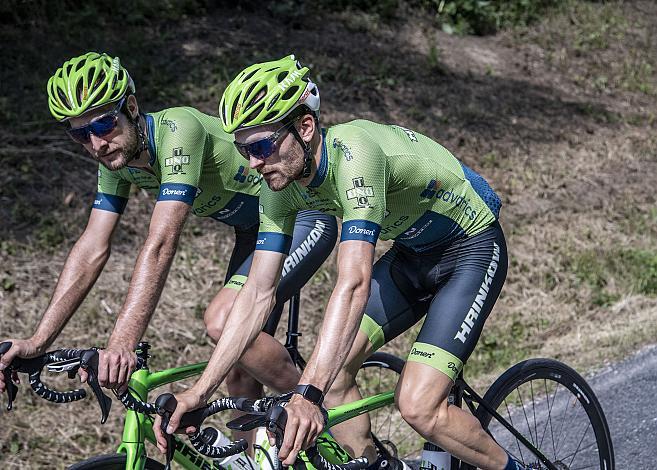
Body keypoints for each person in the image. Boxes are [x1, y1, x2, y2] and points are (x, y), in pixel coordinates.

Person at [154, 55, 523, 470]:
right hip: (411, 255)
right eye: (243, 150)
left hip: (470, 250)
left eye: (260, 147)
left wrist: (305, 394)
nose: (253, 163)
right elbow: (256, 295)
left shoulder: (354, 157)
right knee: (331, 377)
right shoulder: (279, 188)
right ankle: (374, 463)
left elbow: (352, 283)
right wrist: (200, 392)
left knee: (417, 405)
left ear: (305, 128)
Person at [0, 52, 337, 409]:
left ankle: (322, 412)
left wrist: (123, 343)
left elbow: (161, 243)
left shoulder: (178, 130)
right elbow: (91, 247)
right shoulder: (116, 162)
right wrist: (38, 340)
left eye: (103, 125)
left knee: (223, 322)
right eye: (80, 134)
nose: (96, 144)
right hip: (256, 231)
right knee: (239, 366)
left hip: (303, 216)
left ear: (130, 107)